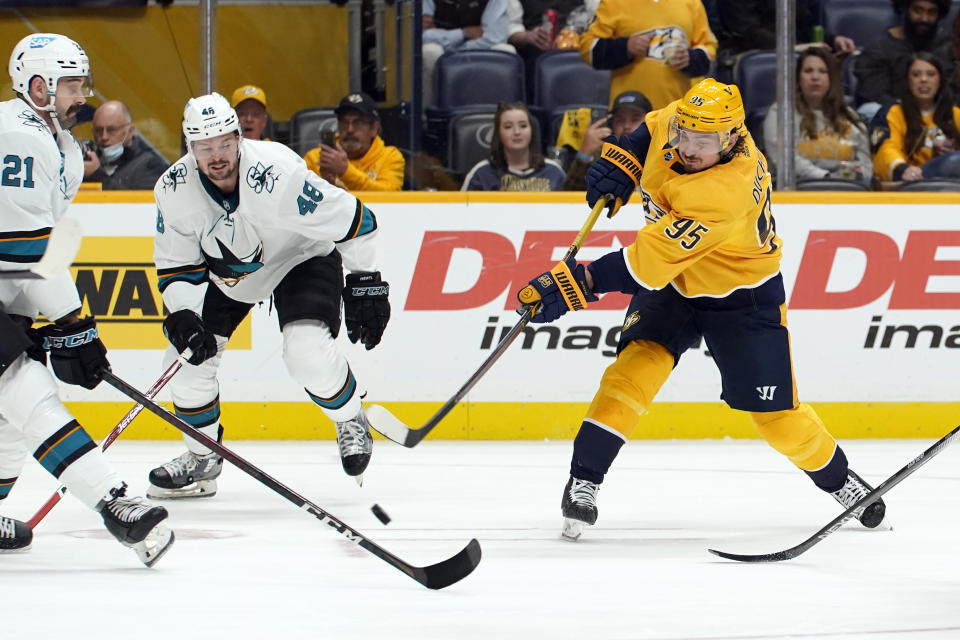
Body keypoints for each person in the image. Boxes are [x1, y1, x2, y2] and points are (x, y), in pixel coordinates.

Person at [516, 78, 887, 540]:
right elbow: (652, 129)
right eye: (685, 135)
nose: (688, 147)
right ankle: (584, 481)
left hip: (741, 295)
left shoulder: (725, 191)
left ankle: (840, 482)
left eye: (703, 141)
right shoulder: (693, 119)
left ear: (732, 138)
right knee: (631, 373)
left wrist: (576, 283)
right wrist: (624, 157)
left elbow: (641, 266)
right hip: (676, 282)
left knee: (776, 418)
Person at [148, 92, 391, 498]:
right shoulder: (173, 188)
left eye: (225, 141)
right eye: (205, 146)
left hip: (300, 257)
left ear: (238, 137)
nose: (218, 154)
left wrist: (365, 281)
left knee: (306, 353)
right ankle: (202, 456)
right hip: (229, 275)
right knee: (184, 360)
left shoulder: (276, 173)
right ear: (188, 147)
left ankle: (350, 418)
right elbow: (177, 267)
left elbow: (356, 220)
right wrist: (184, 314)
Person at [0, 33, 173, 564]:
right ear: (38, 86)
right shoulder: (16, 135)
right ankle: (114, 501)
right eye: (71, 85)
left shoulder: (62, 144)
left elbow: (30, 252)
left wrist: (56, 320)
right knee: (22, 386)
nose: (82, 95)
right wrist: (74, 322)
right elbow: (24, 248)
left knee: (7, 411)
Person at [579, 0, 717, 110]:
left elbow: (708, 47)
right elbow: (587, 48)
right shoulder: (613, 2)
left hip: (676, 109)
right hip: (628, 114)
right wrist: (625, 47)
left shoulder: (692, 3)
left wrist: (691, 58)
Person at [763, 47, 872, 184]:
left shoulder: (849, 116)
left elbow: (866, 166)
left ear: (831, 78)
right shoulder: (780, 113)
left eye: (822, 71)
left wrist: (857, 171)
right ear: (798, 78)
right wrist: (826, 177)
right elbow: (785, 160)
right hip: (795, 192)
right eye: (808, 71)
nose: (815, 77)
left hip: (845, 192)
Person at [712, 0, 856, 83]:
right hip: (747, 50)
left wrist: (832, 40)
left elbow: (804, 25)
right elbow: (748, 32)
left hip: (794, 48)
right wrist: (797, 48)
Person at [855, 0, 952, 121]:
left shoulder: (947, 46)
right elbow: (875, 93)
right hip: (894, 113)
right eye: (918, 10)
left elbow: (950, 91)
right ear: (905, 9)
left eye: (931, 12)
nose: (924, 19)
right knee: (871, 109)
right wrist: (912, 111)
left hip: (938, 114)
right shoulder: (880, 47)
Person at [872, 52, 960, 182]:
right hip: (911, 181)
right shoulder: (892, 113)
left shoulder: (955, 114)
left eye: (931, 74)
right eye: (916, 75)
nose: (923, 80)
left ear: (940, 80)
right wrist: (902, 169)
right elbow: (886, 148)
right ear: (907, 81)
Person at [422, 0, 516, 107]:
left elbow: (495, 38)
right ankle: (427, 116)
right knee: (429, 51)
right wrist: (463, 34)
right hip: (444, 50)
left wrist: (452, 46)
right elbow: (423, 35)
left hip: (477, 48)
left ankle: (504, 114)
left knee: (505, 51)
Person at [303, 92, 404, 192]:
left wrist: (345, 172)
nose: (350, 129)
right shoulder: (317, 158)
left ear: (374, 128)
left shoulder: (389, 157)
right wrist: (325, 184)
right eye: (344, 122)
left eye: (358, 122)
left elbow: (389, 198)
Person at [461, 101, 565, 190]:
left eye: (523, 126)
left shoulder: (553, 172)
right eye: (508, 127)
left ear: (531, 130)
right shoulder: (481, 174)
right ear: (498, 133)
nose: (517, 132)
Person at [560, 89, 651, 190]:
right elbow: (569, 201)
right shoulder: (602, 157)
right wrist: (584, 155)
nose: (626, 126)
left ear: (650, 122)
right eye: (620, 120)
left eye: (635, 119)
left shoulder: (662, 152)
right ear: (611, 125)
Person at [82, 100, 168, 190]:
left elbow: (135, 202)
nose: (104, 137)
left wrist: (96, 175)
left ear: (130, 131)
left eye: (112, 130)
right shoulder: (90, 159)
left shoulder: (151, 164)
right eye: (98, 130)